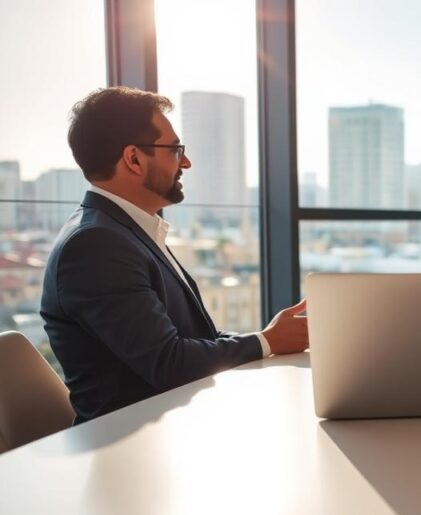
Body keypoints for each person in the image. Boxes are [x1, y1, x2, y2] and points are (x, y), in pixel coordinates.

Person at [41, 87, 309, 424]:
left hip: (169, 427)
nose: (185, 162)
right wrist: (266, 341)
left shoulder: (125, 230)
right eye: (174, 150)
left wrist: (269, 339)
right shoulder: (96, 245)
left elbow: (193, 339)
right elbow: (169, 363)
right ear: (134, 159)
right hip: (130, 449)